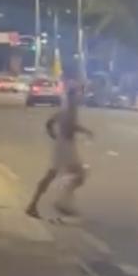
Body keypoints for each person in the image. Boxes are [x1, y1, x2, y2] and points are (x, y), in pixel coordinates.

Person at [26, 83, 93, 218]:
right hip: (66, 146)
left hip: (64, 144)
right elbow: (70, 126)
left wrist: (54, 135)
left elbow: (50, 122)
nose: (80, 97)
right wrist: (85, 131)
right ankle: (60, 203)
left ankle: (39, 204)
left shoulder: (67, 108)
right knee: (77, 175)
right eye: (79, 94)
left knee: (56, 175)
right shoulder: (70, 109)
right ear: (73, 96)